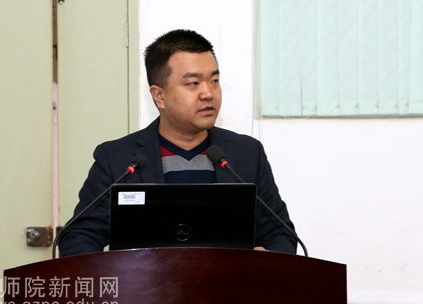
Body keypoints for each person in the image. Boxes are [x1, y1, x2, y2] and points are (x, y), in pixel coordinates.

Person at [58, 29, 297, 256]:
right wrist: (118, 273)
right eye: (193, 83)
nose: (208, 93)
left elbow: (281, 234)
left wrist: (263, 261)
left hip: (229, 284)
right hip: (143, 285)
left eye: (214, 80)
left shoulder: (246, 154)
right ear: (159, 96)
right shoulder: (118, 159)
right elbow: (78, 238)